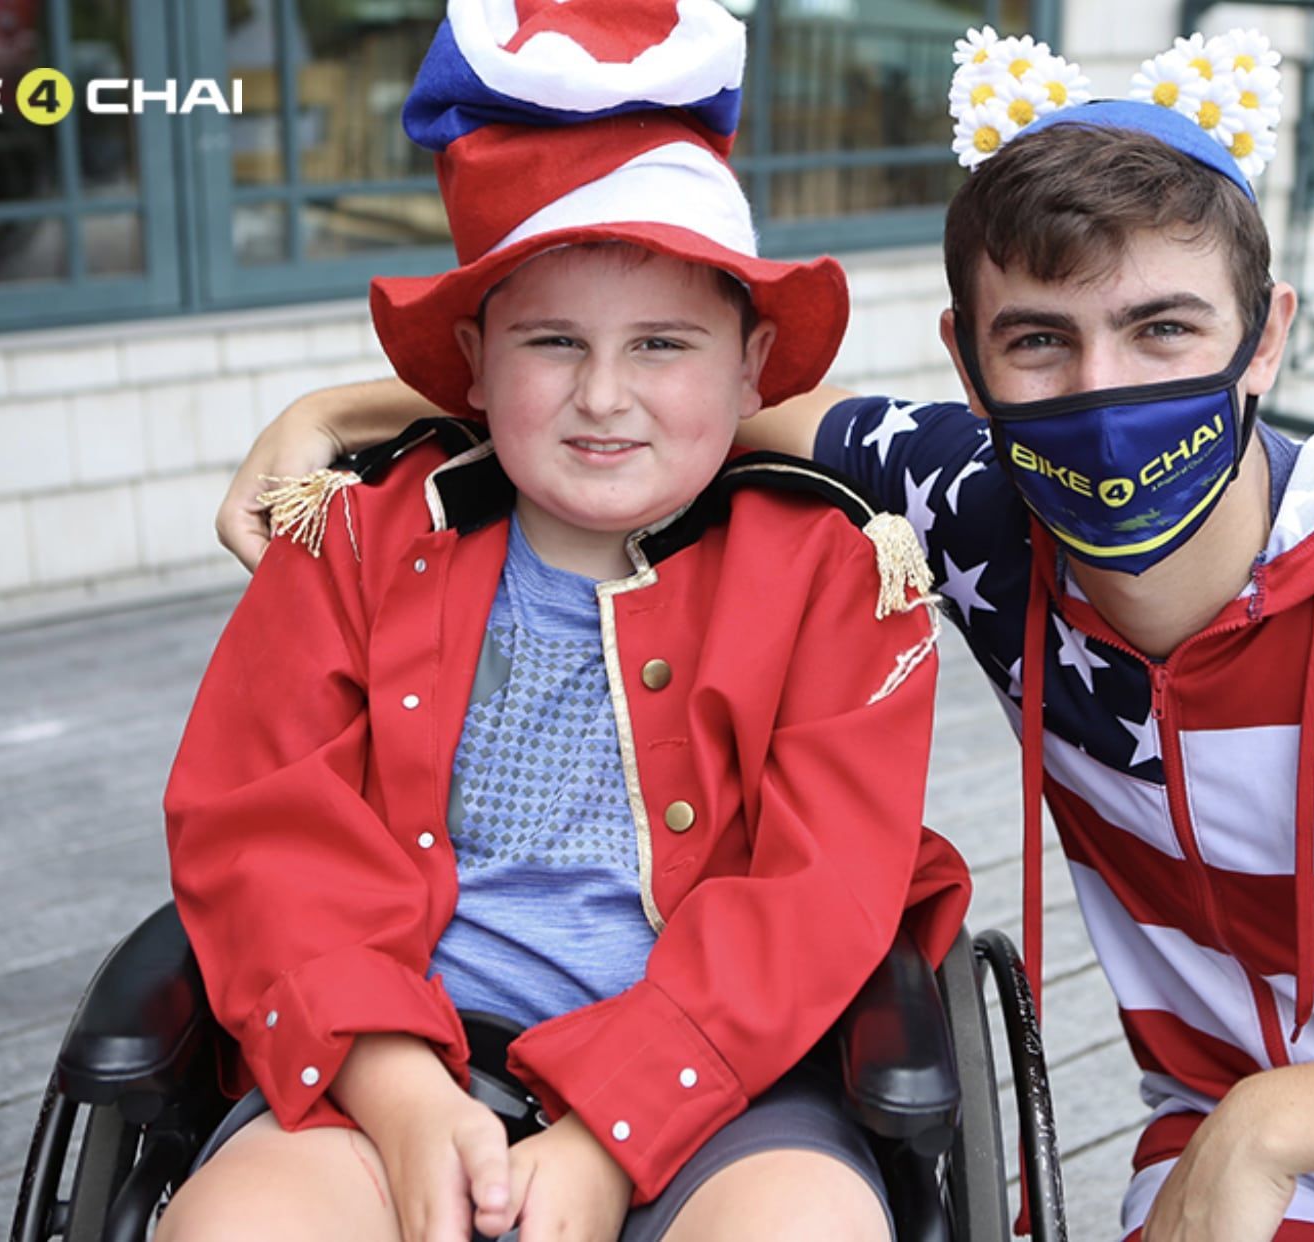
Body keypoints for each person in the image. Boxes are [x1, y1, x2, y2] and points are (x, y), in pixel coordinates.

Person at [220, 26, 1314, 1242]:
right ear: (968, 369)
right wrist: (338, 409)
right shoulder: (972, 507)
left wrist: (1271, 1121)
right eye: (1038, 341)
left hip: (1271, 1134)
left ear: (1265, 339)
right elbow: (655, 381)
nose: (1100, 399)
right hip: (1245, 1162)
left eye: (1164, 330)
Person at [160, 4, 968, 1241]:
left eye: (661, 344)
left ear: (754, 367)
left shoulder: (833, 572)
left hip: (721, 1084)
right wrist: (400, 1093)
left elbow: (819, 897)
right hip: (387, 1062)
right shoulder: (356, 537)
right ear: (474, 363)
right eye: (552, 342)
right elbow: (262, 828)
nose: (603, 395)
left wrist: (607, 1137)